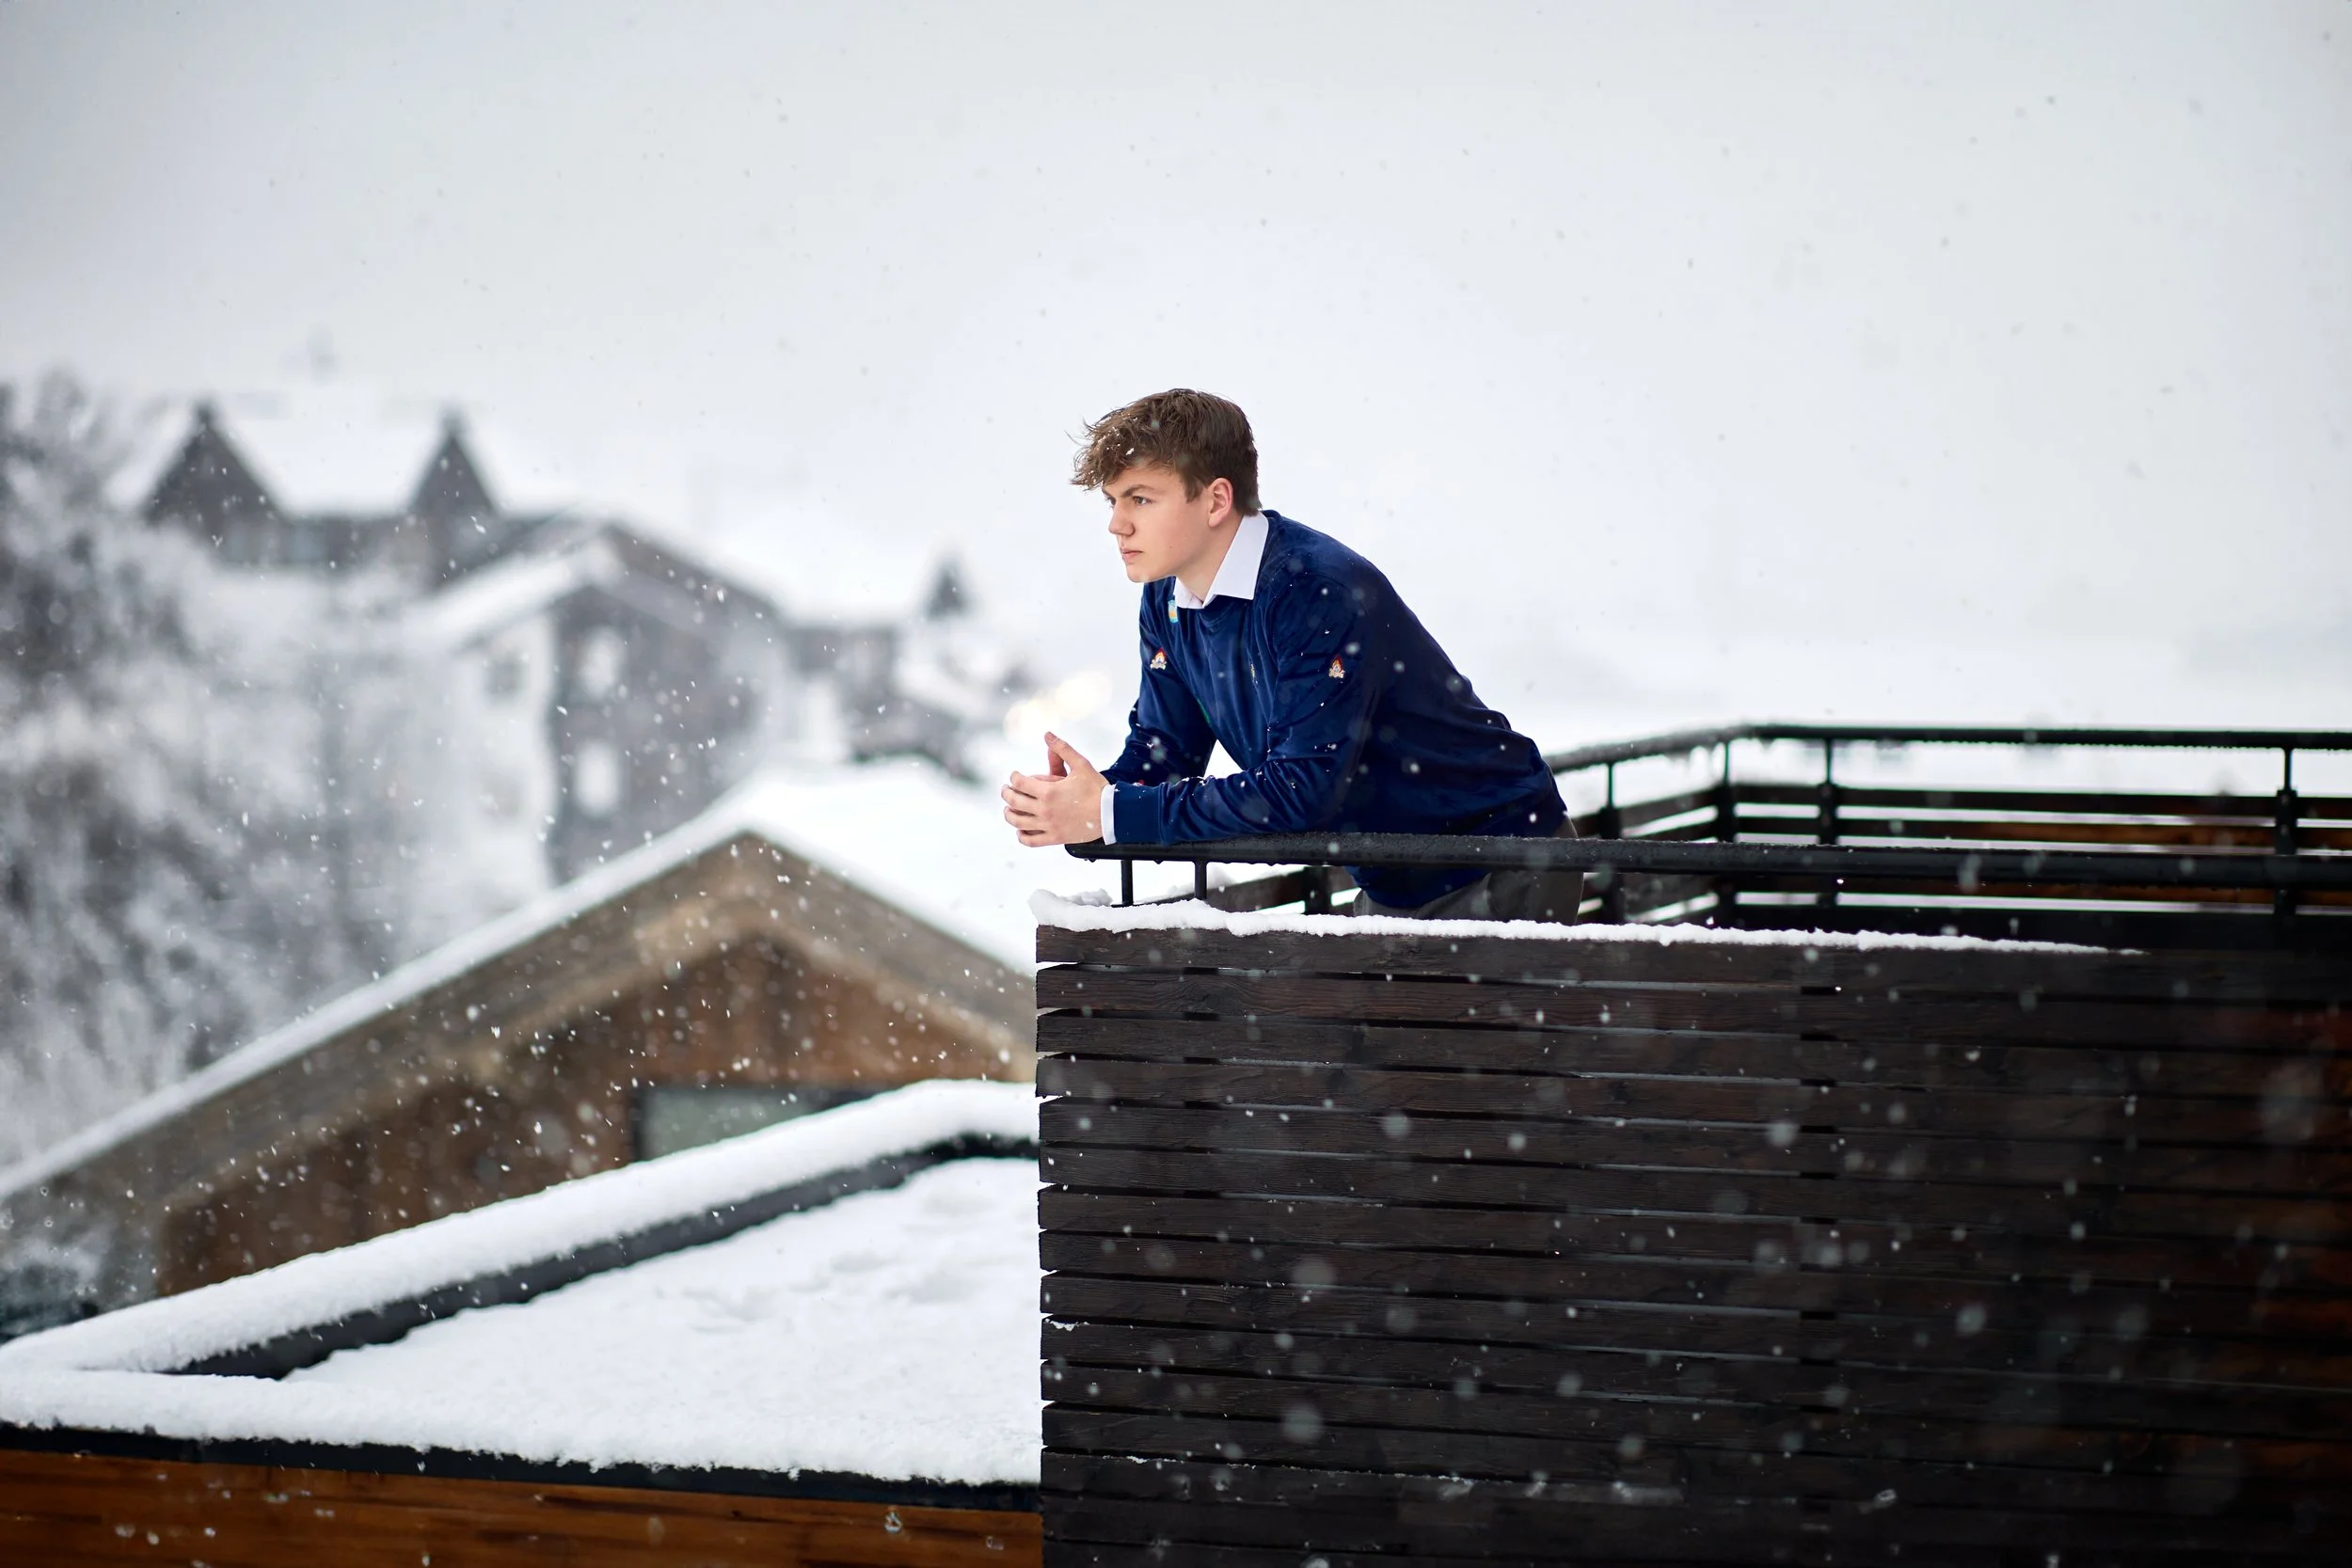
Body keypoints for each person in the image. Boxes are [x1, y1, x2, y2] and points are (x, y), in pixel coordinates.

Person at [1001, 388, 1580, 922]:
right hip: (1398, 878)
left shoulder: (1313, 590)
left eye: (1141, 499)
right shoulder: (1166, 597)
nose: (1115, 523)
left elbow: (1303, 788)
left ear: (1216, 500)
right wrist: (1083, 800)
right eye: (1112, 500)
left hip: (1503, 860)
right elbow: (1168, 753)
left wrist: (1113, 813)